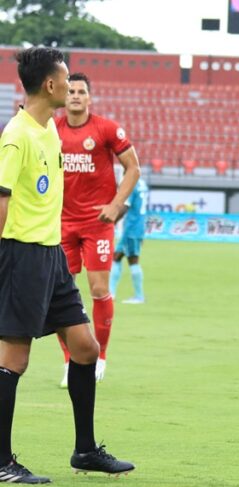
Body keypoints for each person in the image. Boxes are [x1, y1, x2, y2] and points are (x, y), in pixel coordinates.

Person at [0, 47, 134, 484]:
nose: (71, 85)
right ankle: (2, 463)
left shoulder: (49, 131)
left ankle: (84, 450)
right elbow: (1, 200)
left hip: (51, 255)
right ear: (52, 85)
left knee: (85, 348)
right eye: (65, 78)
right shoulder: (18, 134)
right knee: (14, 359)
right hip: (21, 255)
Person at [56, 72, 141, 385]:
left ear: (90, 97)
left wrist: (116, 204)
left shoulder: (106, 129)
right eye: (71, 91)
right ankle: (69, 361)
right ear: (64, 97)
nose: (76, 96)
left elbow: (133, 167)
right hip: (61, 224)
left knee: (99, 290)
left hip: (97, 223)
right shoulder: (52, 130)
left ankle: (100, 357)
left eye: (81, 91)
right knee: (60, 294)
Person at [109, 178, 149, 304]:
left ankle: (138, 296)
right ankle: (112, 294)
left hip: (131, 228)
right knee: (119, 257)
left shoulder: (132, 184)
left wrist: (112, 221)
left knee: (129, 259)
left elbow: (125, 207)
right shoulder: (142, 183)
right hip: (139, 226)